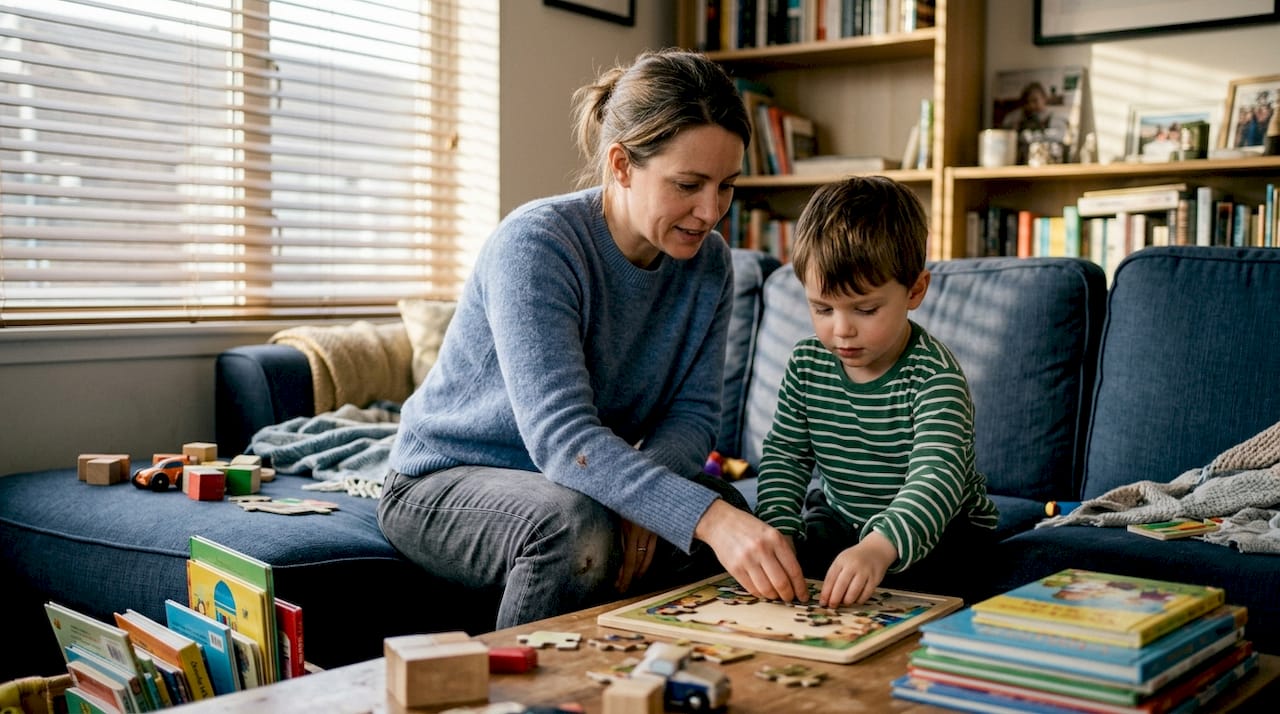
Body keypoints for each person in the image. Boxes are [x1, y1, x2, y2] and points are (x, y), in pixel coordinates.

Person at [378, 48, 808, 630]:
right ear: (622, 164)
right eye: (688, 184)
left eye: (726, 186)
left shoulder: (710, 266)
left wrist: (652, 506)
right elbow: (563, 437)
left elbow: (694, 416)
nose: (710, 212)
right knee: (578, 525)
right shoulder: (536, 244)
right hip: (443, 482)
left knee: (732, 516)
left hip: (577, 485)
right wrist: (682, 509)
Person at [753, 176, 999, 608]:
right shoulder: (807, 364)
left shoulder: (934, 378)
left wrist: (879, 547)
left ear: (915, 291)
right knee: (797, 562)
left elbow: (935, 480)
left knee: (945, 577)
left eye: (865, 309)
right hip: (843, 516)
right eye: (822, 308)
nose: (842, 329)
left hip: (941, 525)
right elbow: (787, 455)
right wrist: (779, 532)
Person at [1001, 81, 1069, 163]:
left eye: (1035, 100)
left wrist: (1028, 136)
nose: (1031, 105)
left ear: (1044, 98)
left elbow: (1060, 136)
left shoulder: (1055, 118)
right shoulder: (1018, 118)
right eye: (1027, 102)